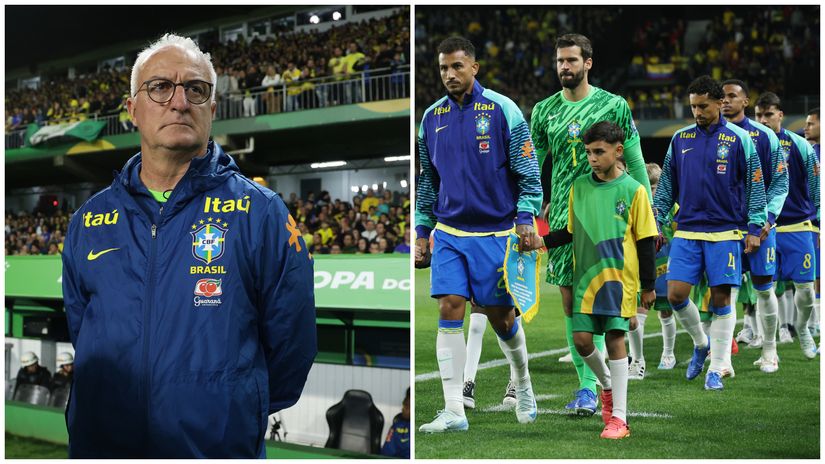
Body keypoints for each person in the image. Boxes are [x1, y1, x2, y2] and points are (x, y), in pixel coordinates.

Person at [61, 33, 317, 458]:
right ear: (132, 110)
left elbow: (293, 343)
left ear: (211, 109)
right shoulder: (89, 220)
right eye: (160, 87)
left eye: (195, 89)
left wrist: (231, 407)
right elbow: (81, 330)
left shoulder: (261, 212)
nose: (179, 102)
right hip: (102, 445)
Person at [415, 36, 542, 433]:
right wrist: (421, 231)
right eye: (443, 68)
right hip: (450, 231)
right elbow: (427, 181)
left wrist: (526, 217)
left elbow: (529, 172)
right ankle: (454, 409)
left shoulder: (504, 110)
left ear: (474, 67)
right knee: (449, 307)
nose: (449, 74)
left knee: (502, 320)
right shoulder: (430, 118)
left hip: (497, 233)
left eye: (457, 66)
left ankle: (523, 383)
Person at [529, 33, 652, 416]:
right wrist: (525, 211)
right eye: (559, 61)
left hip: (609, 220)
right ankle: (591, 386)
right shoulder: (544, 111)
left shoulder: (613, 105)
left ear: (588, 63)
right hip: (564, 219)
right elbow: (531, 167)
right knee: (572, 303)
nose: (564, 67)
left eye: (571, 60)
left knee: (603, 303)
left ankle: (596, 387)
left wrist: (648, 215)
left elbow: (635, 159)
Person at [543, 121, 657, 439]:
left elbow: (646, 241)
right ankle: (606, 385)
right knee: (582, 341)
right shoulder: (579, 186)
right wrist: (541, 241)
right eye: (588, 152)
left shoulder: (634, 190)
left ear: (618, 151)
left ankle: (619, 418)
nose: (592, 158)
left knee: (614, 340)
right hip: (586, 279)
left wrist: (648, 286)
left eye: (598, 152)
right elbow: (569, 231)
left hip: (619, 280)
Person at [653, 76, 766, 391]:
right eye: (693, 107)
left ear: (719, 103)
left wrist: (755, 228)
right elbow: (666, 187)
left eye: (703, 106)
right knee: (675, 295)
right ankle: (701, 343)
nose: (697, 112)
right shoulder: (680, 139)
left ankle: (717, 368)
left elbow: (756, 186)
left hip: (725, 231)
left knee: (721, 299)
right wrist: (655, 220)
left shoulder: (740, 139)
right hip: (687, 230)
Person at [721, 79, 788, 373]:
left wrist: (768, 220)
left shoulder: (764, 136)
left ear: (746, 101)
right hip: (725, 227)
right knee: (726, 290)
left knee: (763, 288)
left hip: (761, 227)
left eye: (732, 96)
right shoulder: (712, 136)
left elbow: (780, 181)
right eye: (722, 96)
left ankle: (770, 350)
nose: (726, 101)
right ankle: (722, 358)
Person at [755, 92, 820, 361]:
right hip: (764, 228)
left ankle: (802, 327)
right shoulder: (750, 144)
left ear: (780, 115)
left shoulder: (799, 144)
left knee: (805, 289)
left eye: (768, 114)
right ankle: (769, 347)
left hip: (797, 226)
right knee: (764, 289)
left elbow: (817, 187)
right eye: (759, 115)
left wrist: (819, 220)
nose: (763, 120)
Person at [626, 163, 680, 376]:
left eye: (655, 187)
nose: (652, 192)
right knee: (637, 313)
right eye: (647, 187)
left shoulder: (672, 208)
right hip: (641, 267)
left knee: (666, 311)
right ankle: (637, 360)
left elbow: (680, 232)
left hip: (667, 266)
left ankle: (668, 353)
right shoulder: (636, 206)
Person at [803, 108, 820, 337]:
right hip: (814, 224)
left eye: (811, 123)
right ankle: (816, 324)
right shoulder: (809, 152)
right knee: (817, 277)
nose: (805, 128)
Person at [380, 387, 410, 458]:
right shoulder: (397, 425)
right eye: (404, 405)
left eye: (407, 406)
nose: (403, 409)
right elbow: (387, 452)